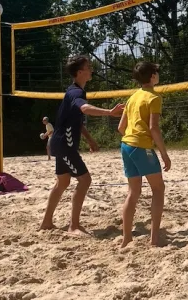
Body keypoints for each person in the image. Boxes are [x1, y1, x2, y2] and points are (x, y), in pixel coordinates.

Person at [40, 55, 125, 234]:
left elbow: (77, 121)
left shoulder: (73, 91)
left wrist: (90, 139)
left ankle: (47, 222)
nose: (91, 69)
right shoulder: (76, 93)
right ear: (80, 72)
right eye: (88, 67)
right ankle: (74, 225)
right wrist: (110, 112)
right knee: (85, 180)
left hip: (60, 143)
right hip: (65, 145)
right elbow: (85, 109)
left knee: (62, 183)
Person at [116, 61, 171, 248]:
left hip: (126, 146)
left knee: (133, 192)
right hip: (141, 146)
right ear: (153, 76)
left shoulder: (132, 97)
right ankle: (154, 239)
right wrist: (164, 154)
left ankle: (126, 238)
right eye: (157, 72)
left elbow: (120, 127)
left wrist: (133, 142)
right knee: (158, 189)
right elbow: (153, 128)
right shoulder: (153, 98)